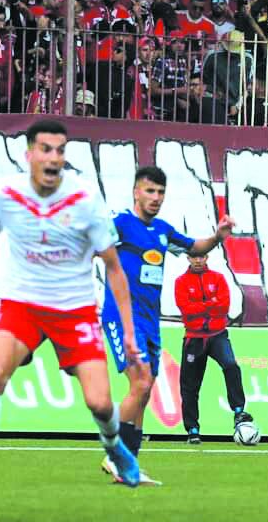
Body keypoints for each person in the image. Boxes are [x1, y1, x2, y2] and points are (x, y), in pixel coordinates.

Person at [0, 119, 144, 509]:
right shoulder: (5, 195)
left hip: (74, 310)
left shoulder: (86, 200)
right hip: (23, 303)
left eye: (60, 150)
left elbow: (114, 268)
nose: (54, 157)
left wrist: (127, 331)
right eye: (46, 149)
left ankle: (116, 448)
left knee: (100, 404)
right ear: (29, 155)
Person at [99, 165, 233, 481]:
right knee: (142, 383)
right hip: (121, 316)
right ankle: (115, 456)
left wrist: (218, 236)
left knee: (143, 390)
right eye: (149, 191)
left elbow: (194, 248)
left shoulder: (162, 230)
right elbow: (92, 246)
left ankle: (127, 464)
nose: (156, 197)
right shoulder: (120, 224)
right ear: (136, 191)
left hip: (150, 321)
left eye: (160, 192)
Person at [174, 252, 252, 444]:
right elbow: (185, 309)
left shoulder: (217, 278)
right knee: (190, 386)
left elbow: (224, 306)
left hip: (217, 335)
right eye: (194, 257)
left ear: (207, 257)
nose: (198, 260)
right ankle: (192, 429)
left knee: (231, 366)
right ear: (188, 259)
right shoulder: (181, 281)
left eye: (201, 257)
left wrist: (200, 306)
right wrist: (211, 304)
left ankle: (239, 412)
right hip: (194, 337)